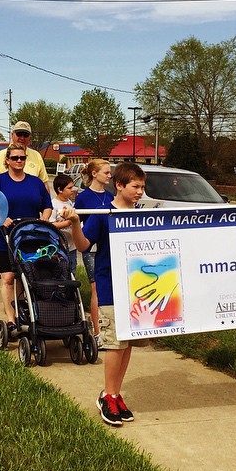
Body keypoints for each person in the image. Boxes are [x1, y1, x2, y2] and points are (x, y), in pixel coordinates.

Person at [63, 162, 146, 426]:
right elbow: (83, 245)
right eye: (135, 186)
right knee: (114, 344)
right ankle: (107, 395)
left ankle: (116, 393)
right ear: (119, 185)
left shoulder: (142, 215)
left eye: (142, 187)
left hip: (136, 288)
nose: (139, 192)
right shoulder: (102, 214)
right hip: (111, 287)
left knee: (128, 343)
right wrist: (75, 222)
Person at [0, 142, 52, 339]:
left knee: (26, 276)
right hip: (3, 237)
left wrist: (44, 218)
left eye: (22, 158)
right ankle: (11, 319)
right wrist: (0, 218)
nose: (19, 161)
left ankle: (24, 313)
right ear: (7, 160)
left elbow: (47, 205)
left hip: (29, 237)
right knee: (9, 277)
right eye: (15, 158)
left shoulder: (35, 183)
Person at [74, 159, 113, 346]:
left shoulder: (111, 196)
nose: (109, 176)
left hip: (108, 247)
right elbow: (78, 222)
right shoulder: (83, 197)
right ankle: (98, 332)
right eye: (106, 172)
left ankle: (109, 326)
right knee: (96, 286)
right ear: (94, 174)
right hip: (91, 248)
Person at [0, 121, 49, 191]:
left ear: (30, 138)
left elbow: (44, 184)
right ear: (12, 135)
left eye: (25, 135)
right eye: (19, 134)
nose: (22, 138)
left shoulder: (37, 156)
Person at [49, 174, 77, 275]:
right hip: (59, 248)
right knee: (60, 272)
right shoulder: (53, 204)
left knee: (72, 271)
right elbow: (51, 225)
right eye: (69, 188)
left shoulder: (70, 203)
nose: (72, 190)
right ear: (60, 189)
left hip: (72, 246)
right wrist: (69, 222)